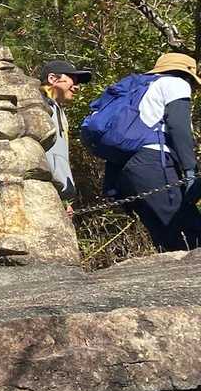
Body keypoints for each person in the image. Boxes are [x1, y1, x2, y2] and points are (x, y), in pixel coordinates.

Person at [105, 52, 201, 251]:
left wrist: (111, 186)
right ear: (187, 75)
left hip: (127, 171)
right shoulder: (176, 83)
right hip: (155, 164)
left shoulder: (140, 87)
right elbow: (178, 127)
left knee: (166, 239)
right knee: (190, 234)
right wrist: (190, 169)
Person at [38, 58, 92, 204]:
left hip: (58, 194)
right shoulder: (38, 106)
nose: (77, 87)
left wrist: (66, 200)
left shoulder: (58, 110)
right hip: (43, 191)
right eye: (73, 80)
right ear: (52, 79)